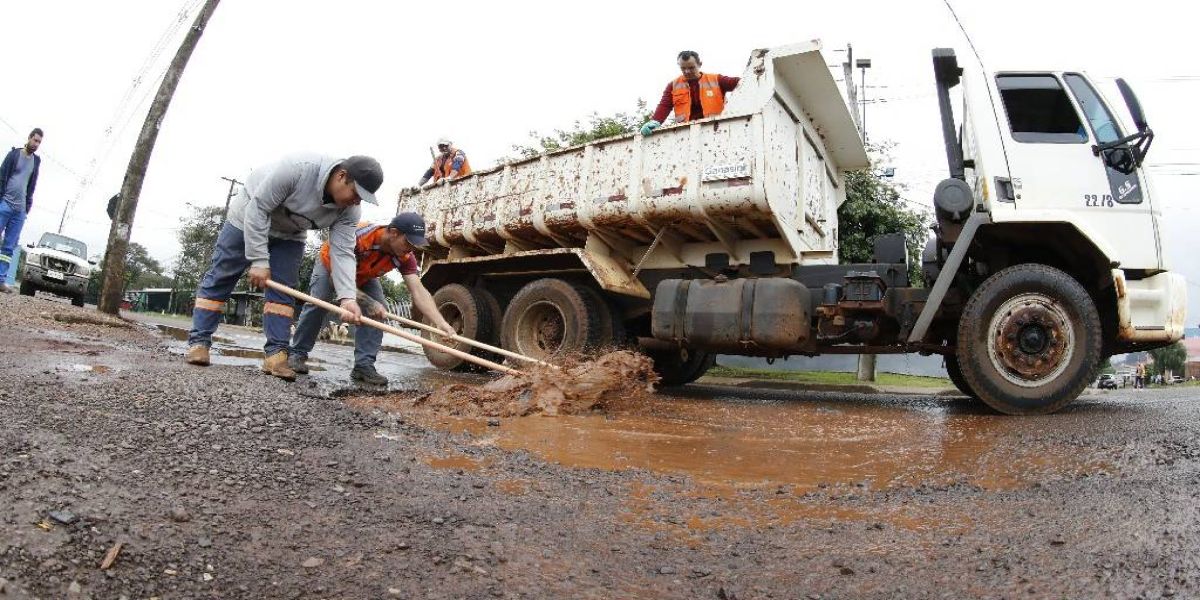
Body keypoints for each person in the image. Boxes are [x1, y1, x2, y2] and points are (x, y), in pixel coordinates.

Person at [185, 153, 383, 380]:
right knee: (222, 277)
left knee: (283, 289)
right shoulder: (296, 170)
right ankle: (199, 342)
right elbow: (258, 209)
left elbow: (343, 251)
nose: (357, 202)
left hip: (291, 232)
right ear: (341, 176)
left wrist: (347, 297)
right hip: (248, 216)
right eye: (356, 194)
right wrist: (259, 260)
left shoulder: (350, 210)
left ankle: (277, 355)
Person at [287, 213, 456, 386]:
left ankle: (363, 366)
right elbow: (335, 279)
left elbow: (419, 291)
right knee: (319, 301)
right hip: (331, 267)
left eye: (414, 246)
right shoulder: (358, 237)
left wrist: (440, 323)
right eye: (408, 243)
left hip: (364, 275)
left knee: (379, 311)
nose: (410, 250)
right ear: (393, 232)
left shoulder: (404, 256)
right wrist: (366, 301)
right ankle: (297, 353)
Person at [641, 51, 740, 136]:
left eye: (691, 68)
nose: (687, 71)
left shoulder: (717, 80)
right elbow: (665, 105)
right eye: (683, 68)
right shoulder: (673, 85)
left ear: (700, 64)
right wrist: (655, 121)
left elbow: (744, 82)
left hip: (716, 129)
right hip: (686, 133)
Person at [0, 128, 43, 293]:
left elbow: (32, 186)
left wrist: (27, 208)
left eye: (39, 142)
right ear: (29, 137)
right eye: (35, 140)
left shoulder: (36, 162)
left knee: (9, 247)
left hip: (20, 211)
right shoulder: (14, 155)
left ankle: (1, 280)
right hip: (4, 204)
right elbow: (2, 176)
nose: (36, 144)